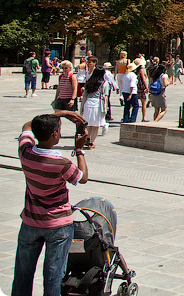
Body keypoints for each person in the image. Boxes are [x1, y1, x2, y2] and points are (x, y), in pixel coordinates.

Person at [12, 109, 89, 296]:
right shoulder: (61, 164)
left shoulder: (26, 152)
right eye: (60, 130)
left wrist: (59, 113)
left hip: (30, 222)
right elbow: (83, 177)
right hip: (58, 226)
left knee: (22, 273)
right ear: (55, 135)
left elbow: (27, 126)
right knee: (53, 275)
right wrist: (79, 150)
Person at [81, 67, 112, 147]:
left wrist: (82, 107)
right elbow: (105, 96)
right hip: (98, 103)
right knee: (96, 125)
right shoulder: (104, 83)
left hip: (88, 102)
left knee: (88, 124)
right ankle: (91, 142)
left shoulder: (88, 83)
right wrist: (106, 107)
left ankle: (87, 138)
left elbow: (84, 96)